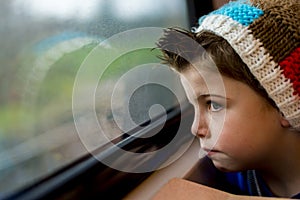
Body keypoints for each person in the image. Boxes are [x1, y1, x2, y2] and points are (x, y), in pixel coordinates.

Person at [157, 0, 300, 198]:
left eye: (213, 105)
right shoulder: (234, 171)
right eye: (194, 106)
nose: (195, 129)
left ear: (284, 106)